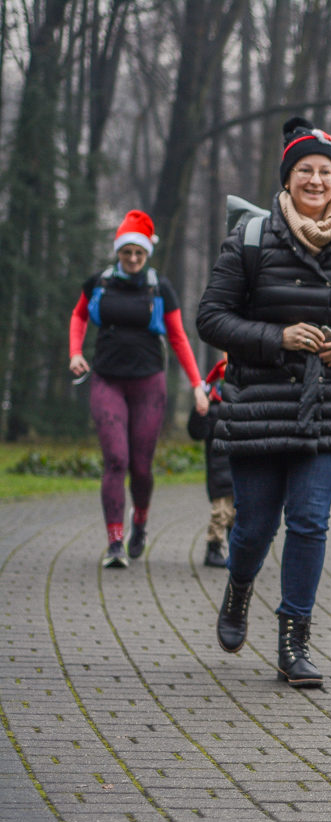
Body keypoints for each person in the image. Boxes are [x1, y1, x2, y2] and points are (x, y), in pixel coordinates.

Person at [197, 116, 331, 688]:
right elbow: (210, 317)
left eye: (326, 172)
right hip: (258, 400)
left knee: (309, 520)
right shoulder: (251, 240)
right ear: (287, 179)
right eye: (305, 171)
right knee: (255, 526)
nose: (316, 180)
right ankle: (239, 588)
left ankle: (294, 639)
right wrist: (275, 337)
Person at [69, 210, 209, 569]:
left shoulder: (159, 288)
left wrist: (197, 385)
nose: (132, 259)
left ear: (147, 255)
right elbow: (79, 316)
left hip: (149, 383)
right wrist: (75, 352)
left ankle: (140, 522)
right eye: (126, 252)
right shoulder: (99, 283)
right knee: (116, 459)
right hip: (107, 380)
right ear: (118, 251)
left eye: (139, 254)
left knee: (142, 468)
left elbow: (178, 337)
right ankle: (115, 542)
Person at [186, 358, 233, 567]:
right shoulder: (212, 410)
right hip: (219, 474)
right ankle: (213, 549)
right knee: (220, 514)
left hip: (241, 473)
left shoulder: (243, 410)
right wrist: (199, 412)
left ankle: (238, 552)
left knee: (239, 516)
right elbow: (197, 432)